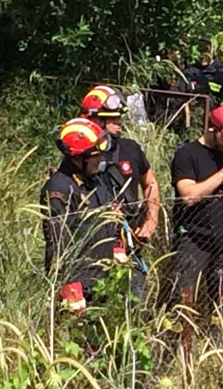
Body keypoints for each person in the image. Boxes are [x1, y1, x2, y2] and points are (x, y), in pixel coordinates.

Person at [165, 105, 223, 319]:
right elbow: (188, 196)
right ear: (212, 129)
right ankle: (173, 345)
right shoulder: (187, 155)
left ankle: (220, 344)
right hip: (193, 239)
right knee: (180, 299)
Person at [80, 86, 160, 275]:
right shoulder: (79, 155)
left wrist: (150, 222)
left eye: (119, 118)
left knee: (133, 298)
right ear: (96, 120)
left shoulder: (130, 149)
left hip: (130, 241)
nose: (119, 124)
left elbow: (151, 183)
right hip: (92, 248)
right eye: (112, 119)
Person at [41, 118, 116, 313]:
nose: (100, 160)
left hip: (102, 280)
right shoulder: (59, 189)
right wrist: (70, 289)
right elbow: (58, 243)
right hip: (79, 286)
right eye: (95, 156)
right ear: (76, 157)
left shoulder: (95, 180)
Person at [194, 38, 223, 109]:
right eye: (199, 49)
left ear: (213, 50)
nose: (202, 54)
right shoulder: (189, 71)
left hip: (214, 116)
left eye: (205, 49)